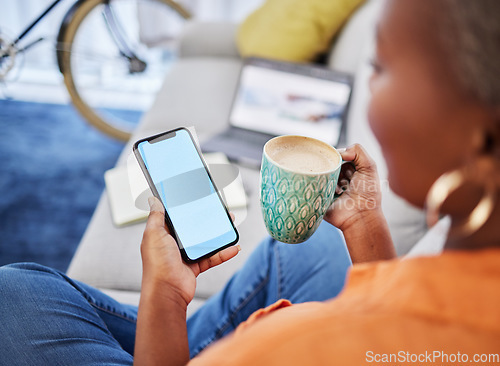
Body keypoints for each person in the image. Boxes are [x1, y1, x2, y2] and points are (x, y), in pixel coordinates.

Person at [1, 0, 499, 364]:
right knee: (319, 248)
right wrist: (365, 223)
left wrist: (166, 296)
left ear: (477, 135)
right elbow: (404, 331)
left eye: (380, 67)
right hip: (323, 319)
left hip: (280, 337)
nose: (367, 87)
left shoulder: (281, 352)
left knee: (14, 296)